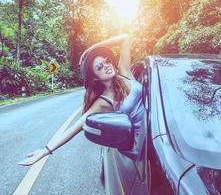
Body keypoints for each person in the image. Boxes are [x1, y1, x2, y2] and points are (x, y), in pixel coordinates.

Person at [18, 34, 145, 166]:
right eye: (99, 67)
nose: (106, 66)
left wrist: (95, 47)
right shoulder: (104, 101)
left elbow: (125, 38)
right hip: (145, 141)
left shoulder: (124, 72)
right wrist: (45, 150)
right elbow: (75, 127)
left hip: (161, 122)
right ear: (96, 78)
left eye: (107, 61)